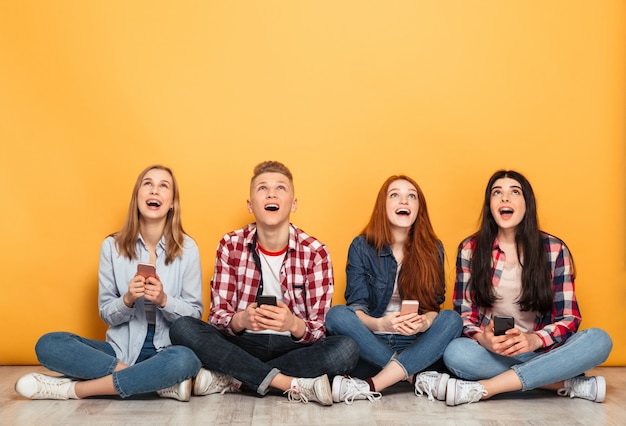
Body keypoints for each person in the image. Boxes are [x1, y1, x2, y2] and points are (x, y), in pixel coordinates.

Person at [169, 161, 359, 406]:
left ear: (294, 203)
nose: (271, 193)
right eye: (262, 188)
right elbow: (216, 316)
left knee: (347, 349)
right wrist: (241, 320)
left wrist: (293, 324)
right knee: (182, 327)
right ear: (250, 205)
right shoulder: (230, 244)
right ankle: (288, 384)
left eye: (281, 188)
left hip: (292, 348)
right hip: (241, 344)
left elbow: (319, 327)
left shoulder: (315, 252)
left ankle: (233, 378)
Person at [15, 165, 203, 401]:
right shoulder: (112, 247)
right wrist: (127, 300)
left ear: (172, 202)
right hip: (118, 353)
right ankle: (156, 382)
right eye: (148, 184)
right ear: (137, 197)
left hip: (166, 351)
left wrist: (164, 300)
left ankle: (72, 390)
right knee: (49, 344)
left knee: (186, 360)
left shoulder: (188, 249)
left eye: (163, 186)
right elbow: (106, 314)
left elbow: (194, 318)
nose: (155, 191)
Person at [443, 169, 613, 406]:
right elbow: (464, 315)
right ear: (489, 205)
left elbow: (569, 317)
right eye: (497, 193)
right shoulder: (470, 249)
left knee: (600, 340)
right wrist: (484, 339)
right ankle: (563, 383)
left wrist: (534, 340)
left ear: (527, 204)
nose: (505, 198)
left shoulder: (554, 249)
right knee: (455, 354)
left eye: (514, 192)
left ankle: (487, 388)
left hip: (543, 350)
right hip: (494, 352)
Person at [325, 175, 463, 404]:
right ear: (383, 205)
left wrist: (425, 323)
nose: (404, 201)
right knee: (336, 315)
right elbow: (356, 308)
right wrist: (381, 324)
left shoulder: (433, 248)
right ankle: (413, 377)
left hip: (417, 344)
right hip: (370, 343)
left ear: (419, 208)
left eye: (411, 196)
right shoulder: (361, 246)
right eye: (395, 195)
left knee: (452, 319)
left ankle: (372, 385)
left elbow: (432, 307)